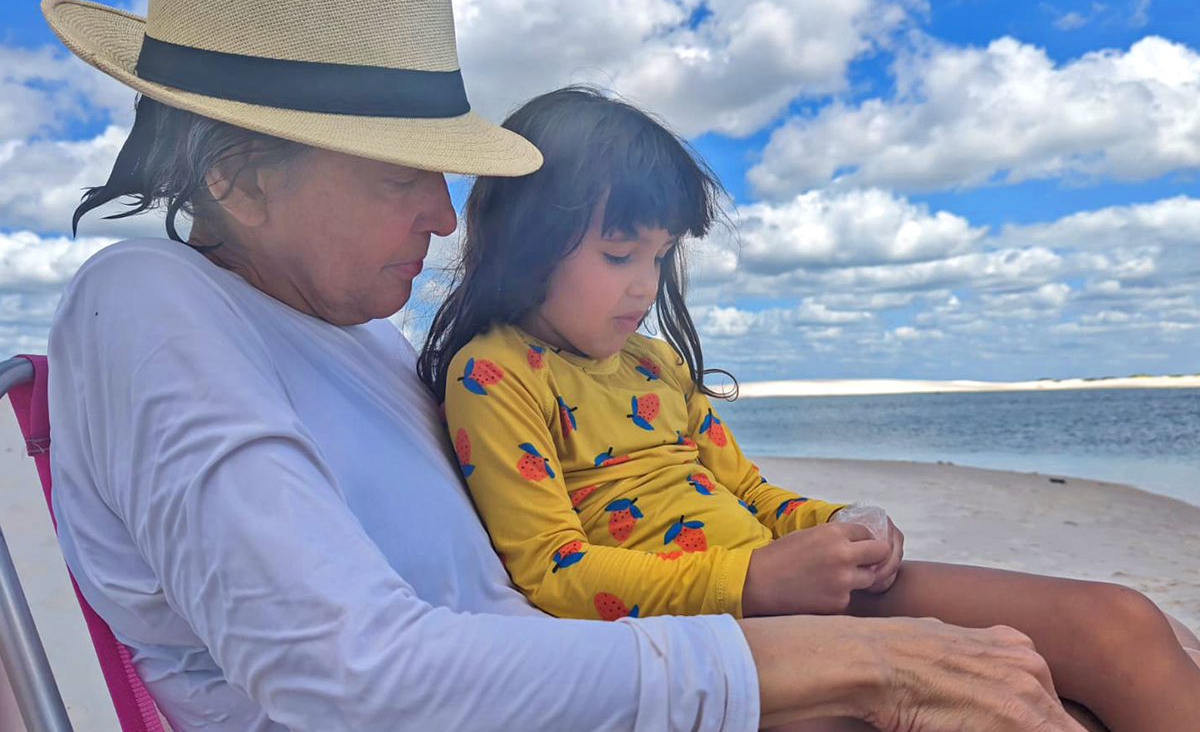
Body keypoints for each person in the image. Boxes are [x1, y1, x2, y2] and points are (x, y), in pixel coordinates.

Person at [40, 0, 1100, 731]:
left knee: (1071, 660)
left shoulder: (353, 340)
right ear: (234, 177)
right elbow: (349, 674)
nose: (445, 218)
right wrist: (856, 664)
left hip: (594, 681)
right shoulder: (146, 303)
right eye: (398, 173)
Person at [422, 87, 1200, 732]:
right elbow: (555, 573)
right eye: (620, 255)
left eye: (660, 258)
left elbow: (750, 492)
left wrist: (840, 523)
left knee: (1121, 622)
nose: (645, 286)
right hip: (723, 636)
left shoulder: (655, 365)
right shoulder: (494, 375)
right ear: (527, 239)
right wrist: (755, 579)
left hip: (791, 591)